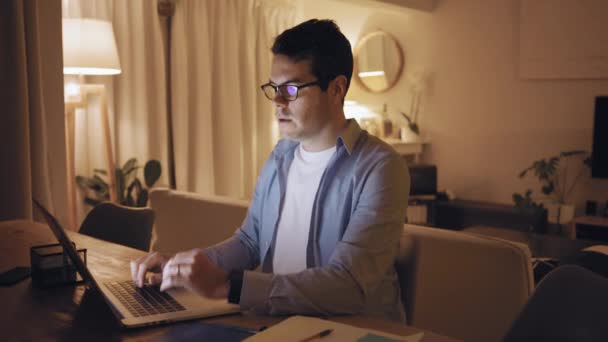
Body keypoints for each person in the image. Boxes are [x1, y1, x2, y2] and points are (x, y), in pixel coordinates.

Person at [131, 19, 410, 322]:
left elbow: (347, 286)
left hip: (349, 329)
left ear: (336, 88)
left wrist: (229, 287)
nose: (277, 102)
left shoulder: (381, 168)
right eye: (274, 88)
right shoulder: (281, 156)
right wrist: (180, 267)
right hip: (278, 322)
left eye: (290, 88)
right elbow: (250, 241)